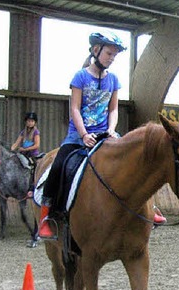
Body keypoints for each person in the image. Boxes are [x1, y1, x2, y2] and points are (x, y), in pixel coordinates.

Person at [38, 31, 163, 239]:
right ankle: (47, 215)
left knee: (137, 161)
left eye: (114, 55)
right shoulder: (80, 77)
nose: (111, 59)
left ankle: (152, 207)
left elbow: (113, 109)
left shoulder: (113, 80)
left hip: (106, 134)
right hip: (79, 135)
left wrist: (112, 129)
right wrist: (84, 134)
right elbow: (75, 109)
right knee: (59, 166)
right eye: (109, 54)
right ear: (96, 50)